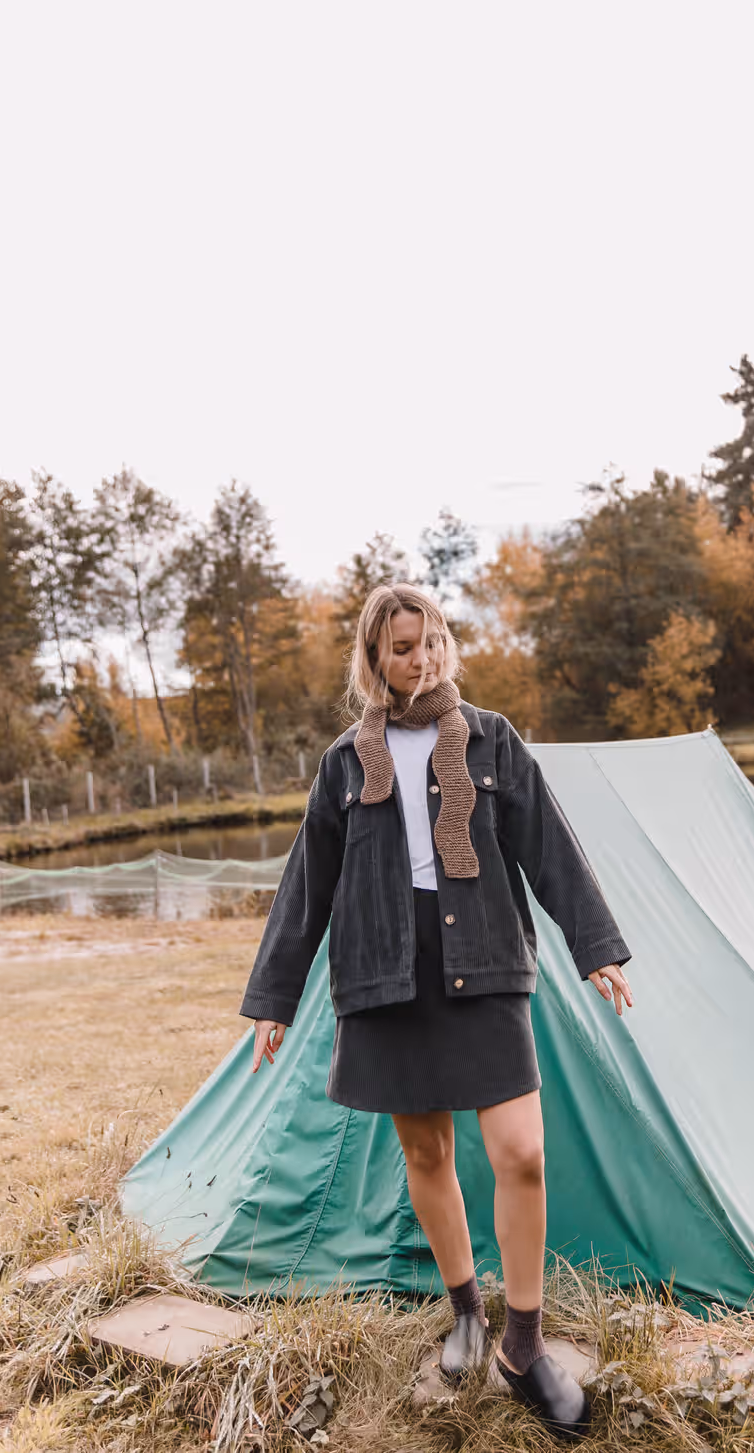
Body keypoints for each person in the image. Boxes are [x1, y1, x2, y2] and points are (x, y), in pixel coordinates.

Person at [239, 584, 633, 1440]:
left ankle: (523, 1345)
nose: (421, 658)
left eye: (431, 641)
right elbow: (308, 882)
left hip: (483, 960)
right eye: (402, 647)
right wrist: (274, 996)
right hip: (384, 971)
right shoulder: (345, 763)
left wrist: (595, 944)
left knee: (521, 1151)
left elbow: (548, 845)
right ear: (374, 659)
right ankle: (466, 1315)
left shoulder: (491, 739)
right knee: (427, 1151)